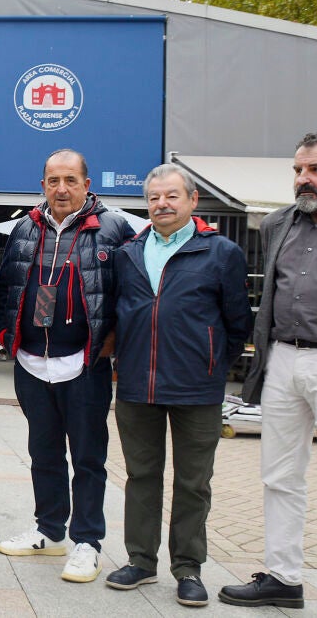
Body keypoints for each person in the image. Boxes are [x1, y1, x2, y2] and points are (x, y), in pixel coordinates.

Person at [107, 163, 251, 606]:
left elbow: (237, 323)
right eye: (154, 197)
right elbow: (117, 313)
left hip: (197, 388)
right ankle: (140, 560)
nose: (162, 204)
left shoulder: (221, 252)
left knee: (193, 483)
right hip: (137, 385)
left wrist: (211, 365)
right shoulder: (128, 252)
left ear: (192, 200)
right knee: (141, 476)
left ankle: (188, 568)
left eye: (172, 196)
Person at [0, 149, 134, 582]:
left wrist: (115, 338)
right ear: (43, 185)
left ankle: (87, 542)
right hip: (32, 363)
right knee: (44, 452)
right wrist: (6, 338)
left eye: (70, 180)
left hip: (85, 364)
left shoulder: (114, 228)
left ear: (87, 185)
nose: (61, 188)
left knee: (89, 457)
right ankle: (49, 531)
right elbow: (6, 285)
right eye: (53, 180)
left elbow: (131, 291)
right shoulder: (25, 228)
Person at [220, 130, 317, 615]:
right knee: (279, 476)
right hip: (282, 358)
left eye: (316, 169)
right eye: (297, 170)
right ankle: (283, 578)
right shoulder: (276, 224)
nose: (303, 179)